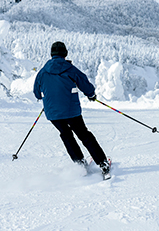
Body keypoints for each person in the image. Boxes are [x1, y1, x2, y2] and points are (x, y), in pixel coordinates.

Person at [33, 41, 110, 175]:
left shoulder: (43, 71)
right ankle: (102, 164)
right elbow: (84, 83)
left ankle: (80, 165)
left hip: (53, 113)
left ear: (51, 54)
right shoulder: (70, 69)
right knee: (84, 135)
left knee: (66, 136)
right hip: (71, 111)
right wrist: (91, 95)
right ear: (65, 53)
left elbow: (36, 92)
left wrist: (47, 98)